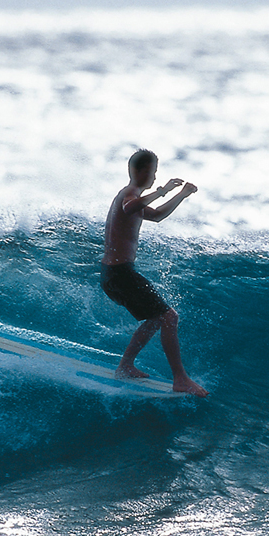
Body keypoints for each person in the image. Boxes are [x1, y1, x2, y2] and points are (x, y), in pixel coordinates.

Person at [101, 149, 209, 397]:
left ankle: (125, 366)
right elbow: (129, 208)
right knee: (169, 317)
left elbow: (158, 215)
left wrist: (181, 195)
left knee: (156, 319)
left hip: (115, 273)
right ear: (138, 171)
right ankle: (180, 379)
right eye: (152, 172)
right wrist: (162, 191)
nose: (154, 177)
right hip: (120, 273)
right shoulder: (129, 194)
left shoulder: (134, 197)